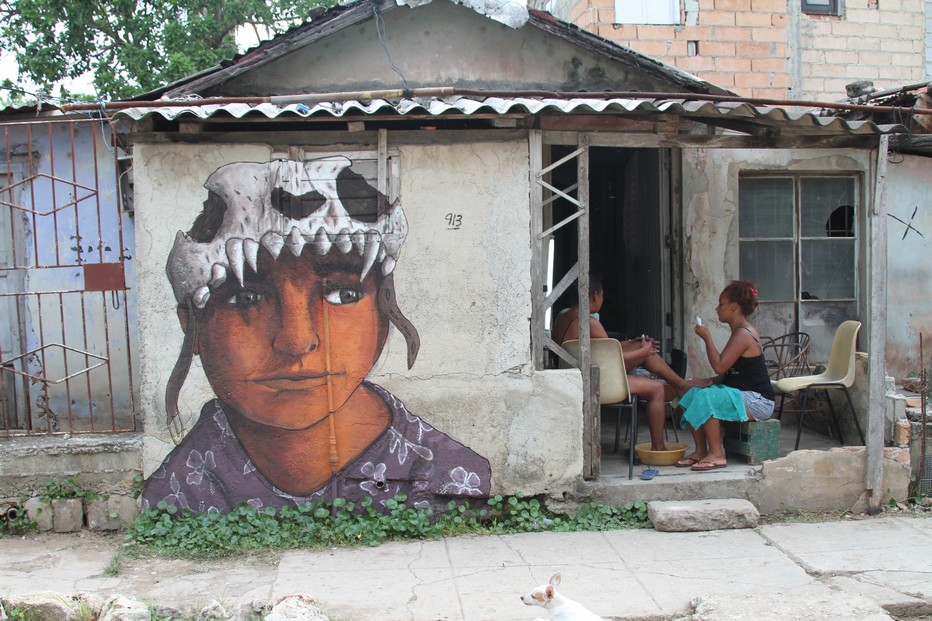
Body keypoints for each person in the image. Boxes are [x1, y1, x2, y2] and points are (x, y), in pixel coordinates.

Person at [142, 156, 491, 514]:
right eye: (247, 298)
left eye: (344, 295)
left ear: (383, 312)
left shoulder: (453, 477)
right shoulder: (173, 494)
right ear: (191, 322)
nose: (296, 341)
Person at [552, 275, 692, 451]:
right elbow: (611, 360)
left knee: (642, 348)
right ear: (594, 296)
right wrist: (643, 352)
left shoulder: (563, 316)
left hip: (574, 377)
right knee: (655, 388)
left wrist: (634, 343)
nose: (602, 299)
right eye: (602, 295)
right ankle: (659, 445)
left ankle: (679, 384)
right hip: (596, 382)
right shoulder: (590, 322)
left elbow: (605, 347)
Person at [675, 280, 775, 471]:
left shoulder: (744, 334)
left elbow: (720, 365)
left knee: (708, 397)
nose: (717, 308)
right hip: (740, 395)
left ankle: (717, 454)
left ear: (734, 307)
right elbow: (727, 374)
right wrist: (700, 382)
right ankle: (700, 450)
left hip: (758, 401)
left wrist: (707, 338)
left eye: (721, 304)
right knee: (693, 394)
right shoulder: (738, 332)